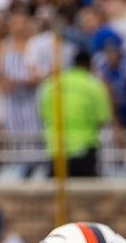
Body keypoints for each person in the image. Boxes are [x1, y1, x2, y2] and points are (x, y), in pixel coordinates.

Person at [37, 46, 113, 179]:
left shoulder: (51, 84)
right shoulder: (93, 85)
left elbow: (43, 114)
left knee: (57, 197)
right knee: (85, 196)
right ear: (90, 65)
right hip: (84, 150)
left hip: (56, 150)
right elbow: (103, 118)